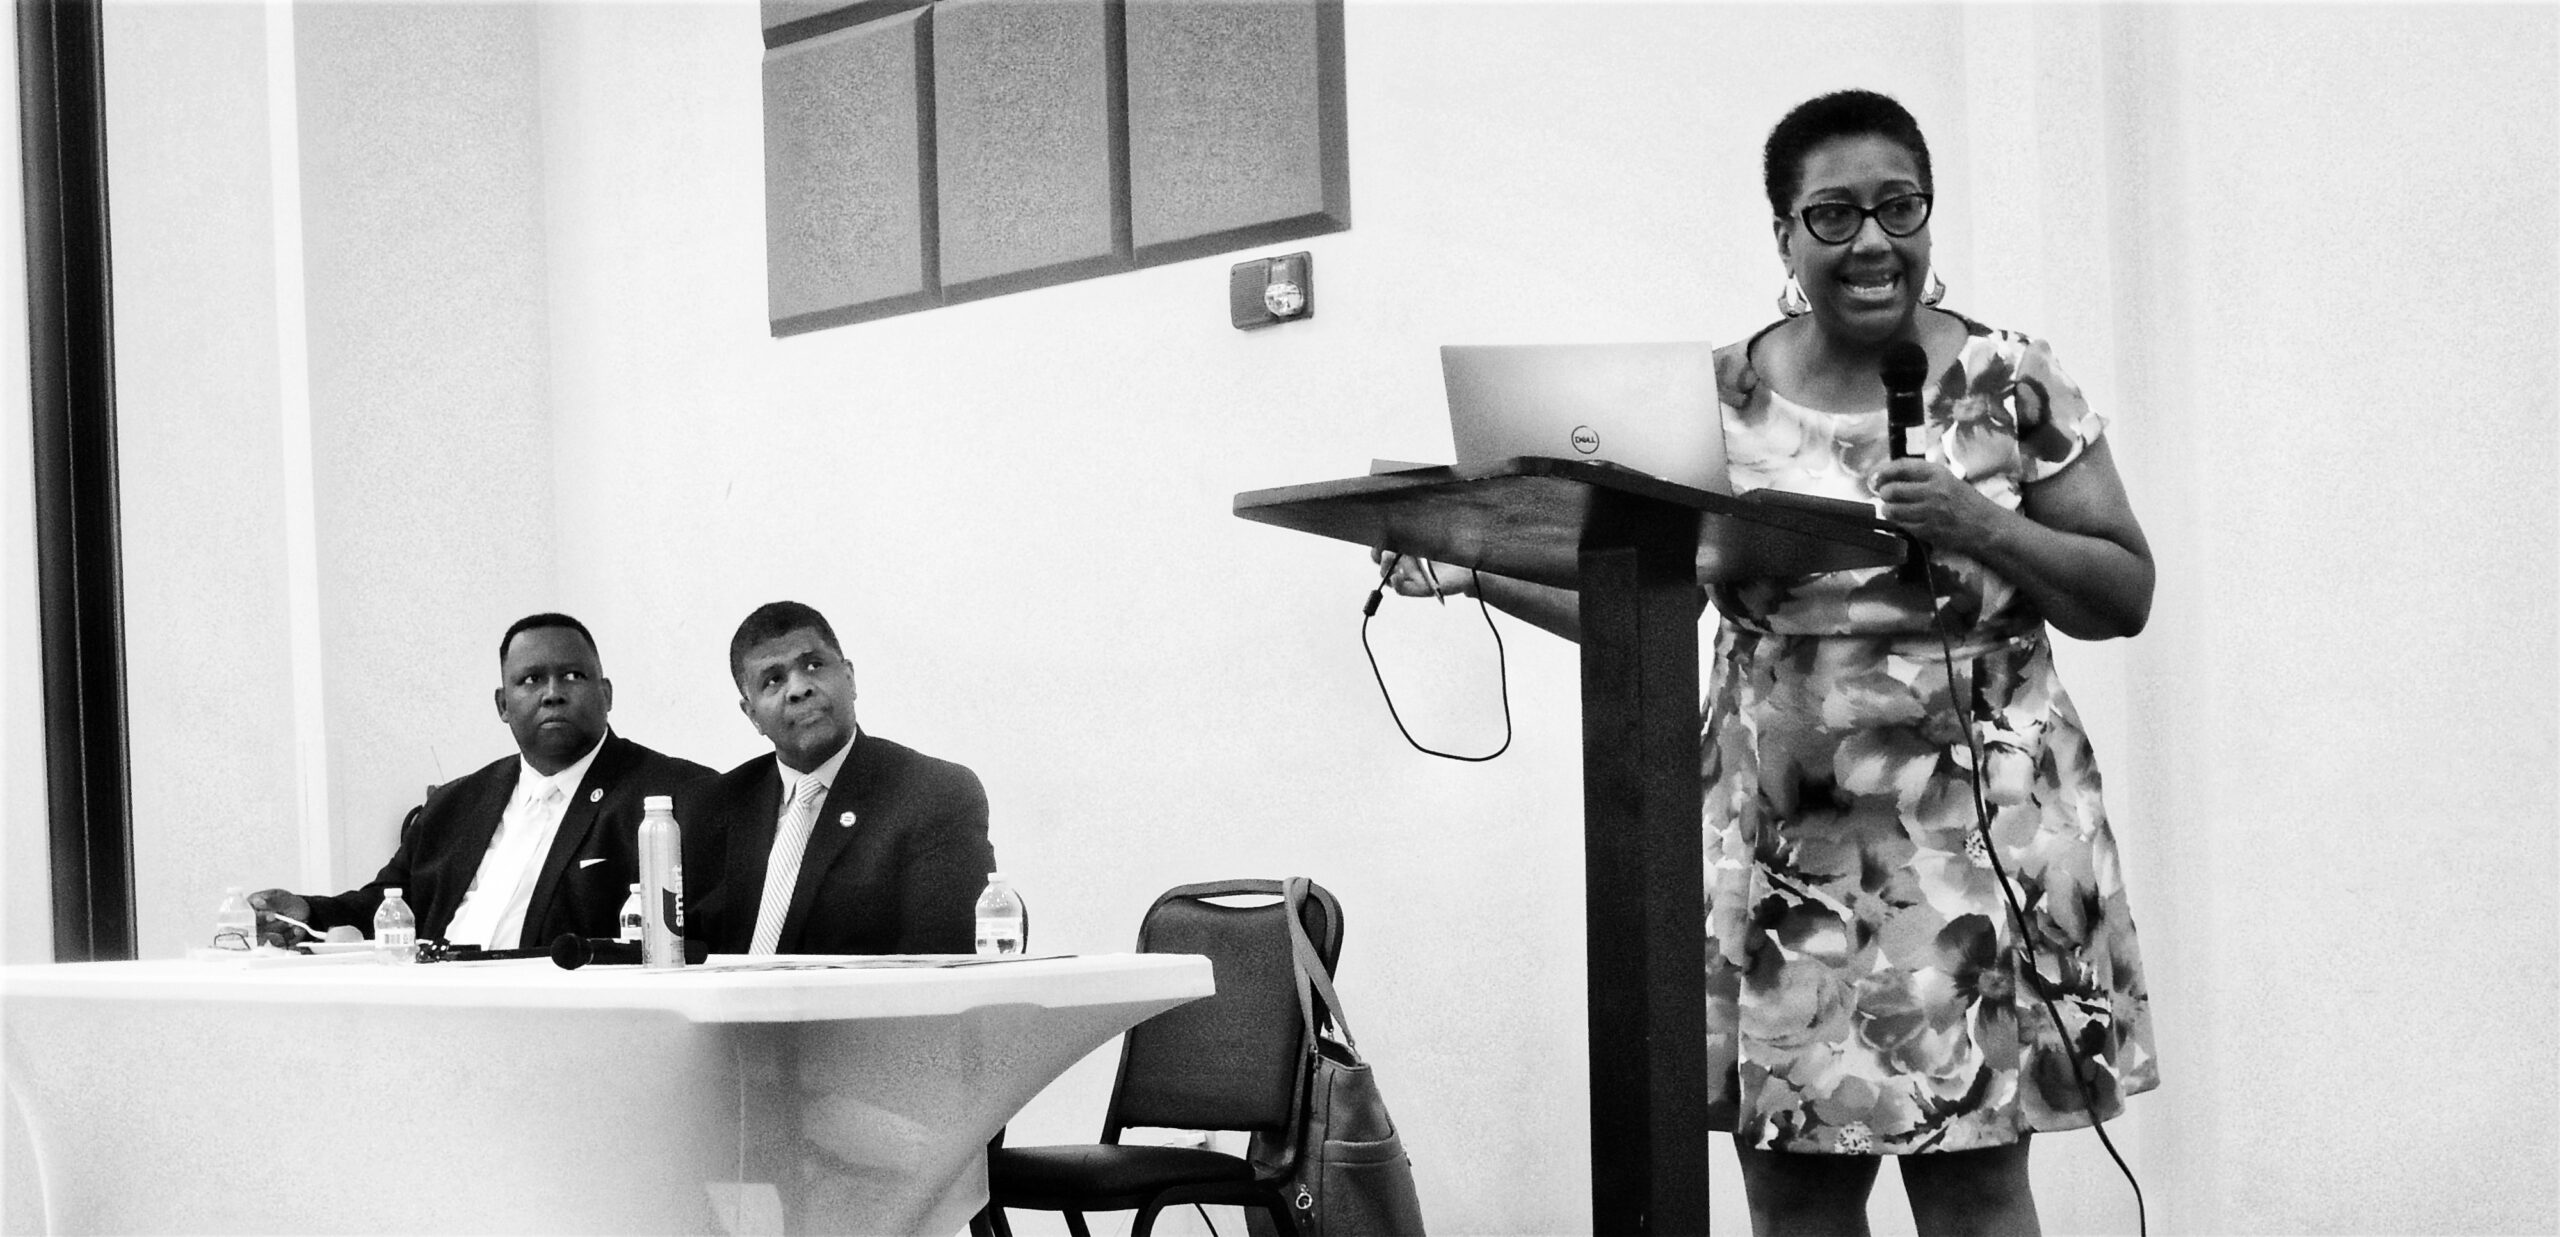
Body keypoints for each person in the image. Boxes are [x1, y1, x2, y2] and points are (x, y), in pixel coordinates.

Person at [1379, 89, 2157, 1235]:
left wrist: (1981, 524)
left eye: (1898, 206)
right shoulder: (1712, 399)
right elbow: (1646, 607)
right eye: (1832, 215)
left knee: (1975, 1186)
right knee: (1792, 1184)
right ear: (1783, 236)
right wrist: (1472, 569)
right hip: (1785, 861)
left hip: (1982, 848)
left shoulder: (2009, 379)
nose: (1872, 240)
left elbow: (2123, 592)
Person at [250, 613, 714, 949]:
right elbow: (390, 904)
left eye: (572, 676)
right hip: (437, 1012)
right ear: (502, 705)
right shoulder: (456, 804)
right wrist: (309, 912)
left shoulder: (672, 795)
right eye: (531, 680)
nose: (552, 693)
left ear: (606, 694)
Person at [677, 600, 994, 955]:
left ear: (850, 678)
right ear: (752, 715)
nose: (798, 688)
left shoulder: (933, 794)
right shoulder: (712, 808)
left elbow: (939, 964)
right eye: (773, 680)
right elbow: (673, 955)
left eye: (814, 665)